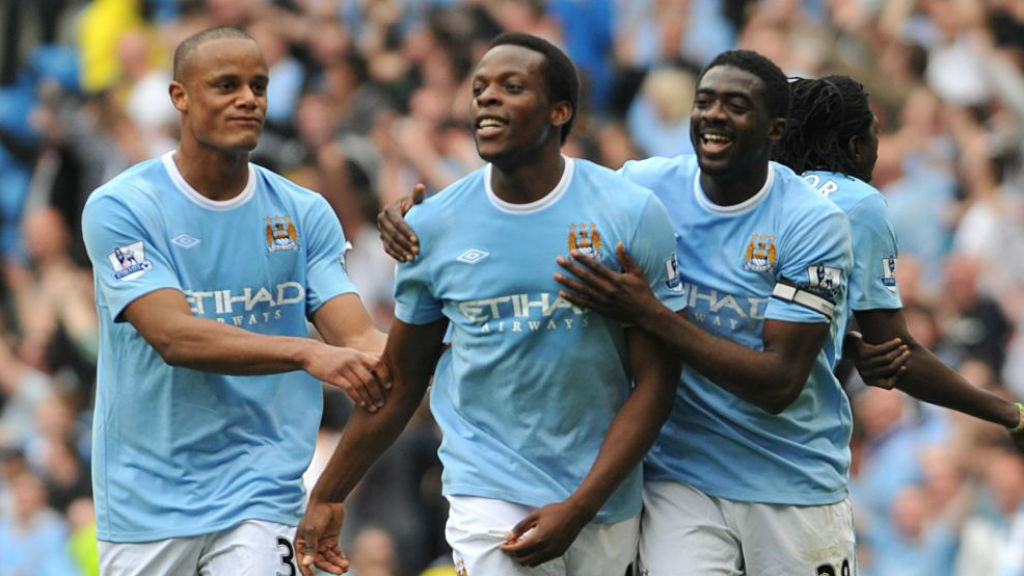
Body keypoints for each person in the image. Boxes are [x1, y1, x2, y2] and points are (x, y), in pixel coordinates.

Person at [382, 50, 859, 575]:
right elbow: (543, 193)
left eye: (736, 105)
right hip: (681, 476)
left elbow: (779, 383)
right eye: (705, 102)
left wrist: (651, 314)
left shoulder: (813, 224)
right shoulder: (643, 189)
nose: (715, 116)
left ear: (776, 130)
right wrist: (423, 220)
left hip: (790, 476)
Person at [294, 32, 686, 576]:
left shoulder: (628, 215)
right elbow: (404, 379)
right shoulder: (430, 227)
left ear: (559, 110)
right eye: (479, 88)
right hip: (487, 491)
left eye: (511, 86)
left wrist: (579, 508)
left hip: (601, 495)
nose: (488, 99)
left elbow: (657, 382)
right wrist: (329, 493)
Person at [80, 27, 389, 576]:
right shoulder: (122, 207)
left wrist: (434, 327)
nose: (248, 98)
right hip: (147, 500)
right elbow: (174, 336)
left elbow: (361, 342)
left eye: (259, 85)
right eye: (226, 85)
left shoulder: (303, 211)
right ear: (180, 97)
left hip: (262, 491)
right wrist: (303, 353)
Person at [773, 76, 1024, 442]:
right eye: (875, 135)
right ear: (856, 146)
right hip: (794, 451)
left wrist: (845, 339)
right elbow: (896, 355)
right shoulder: (858, 202)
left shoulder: (757, 189)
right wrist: (1009, 413)